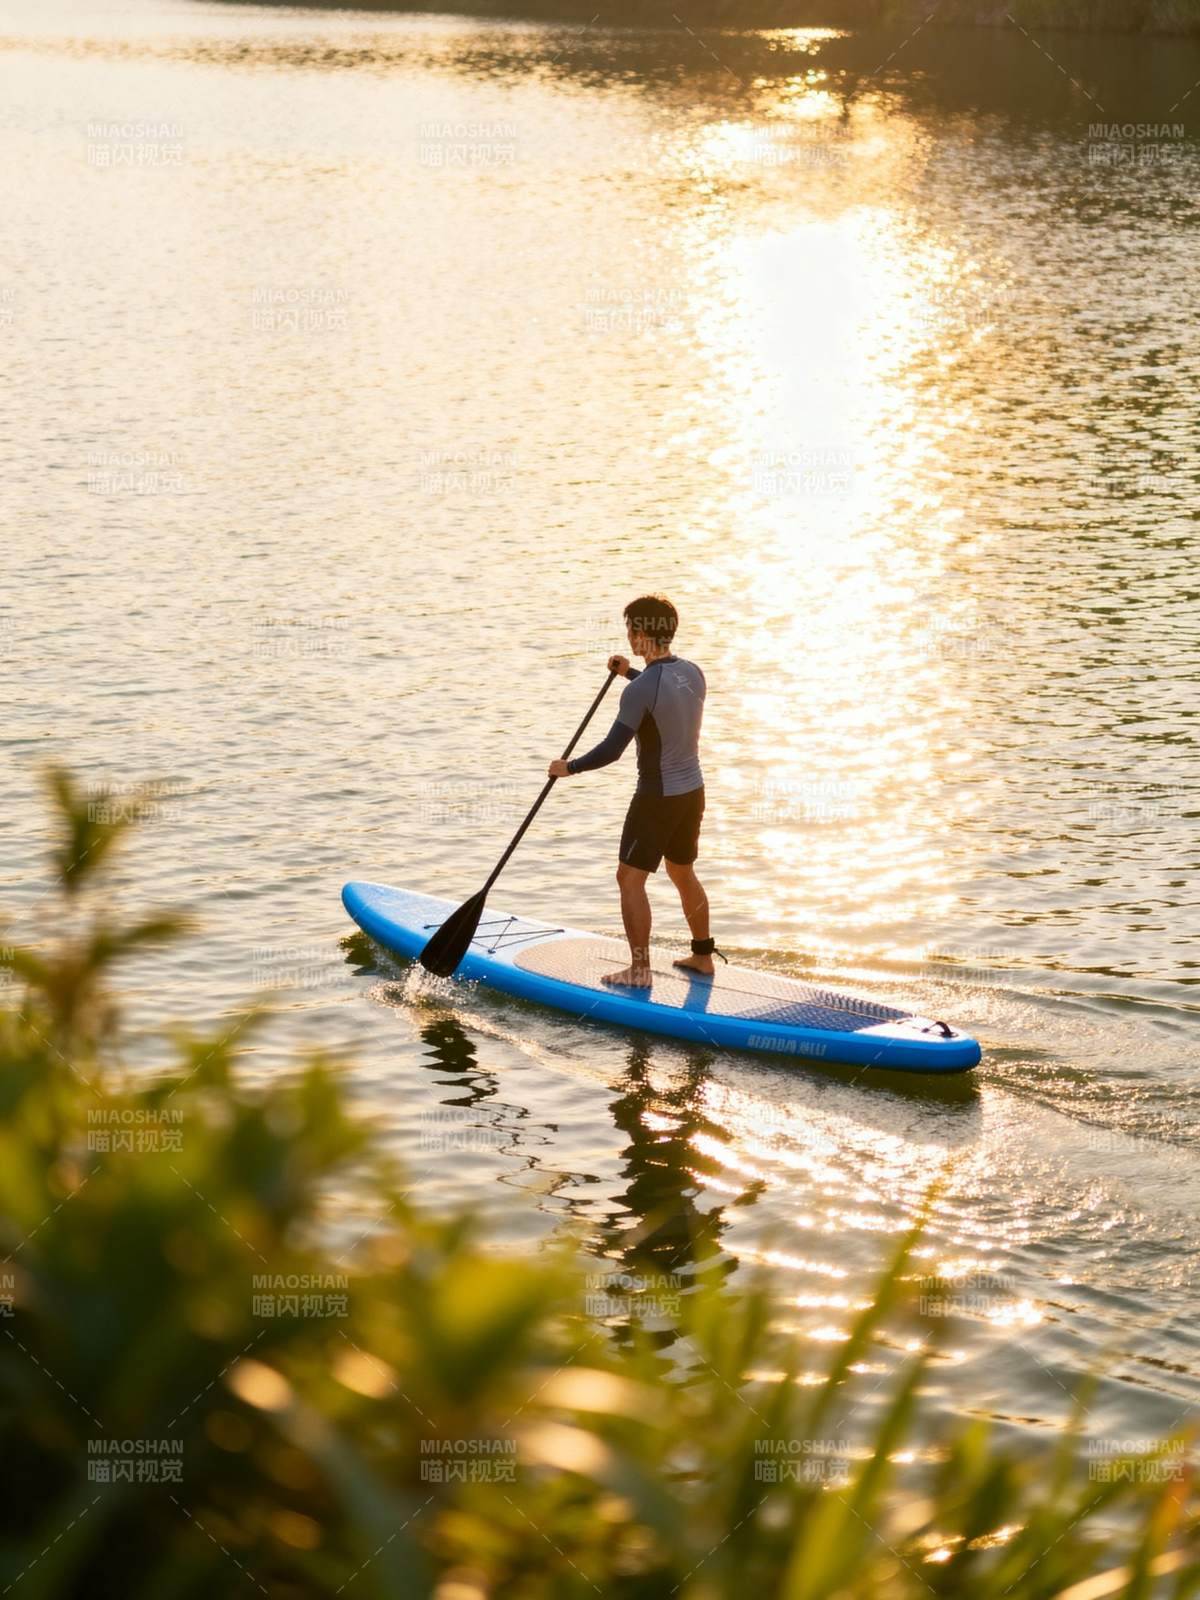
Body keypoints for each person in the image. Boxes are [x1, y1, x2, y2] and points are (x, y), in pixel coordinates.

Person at [548, 594, 723, 988]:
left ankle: (639, 970)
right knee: (682, 872)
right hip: (692, 792)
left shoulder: (640, 690)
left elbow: (612, 751)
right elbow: (662, 696)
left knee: (629, 879)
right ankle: (702, 955)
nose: (627, 635)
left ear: (641, 633)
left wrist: (568, 767)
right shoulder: (692, 672)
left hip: (656, 798)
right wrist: (630, 673)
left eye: (629, 628)